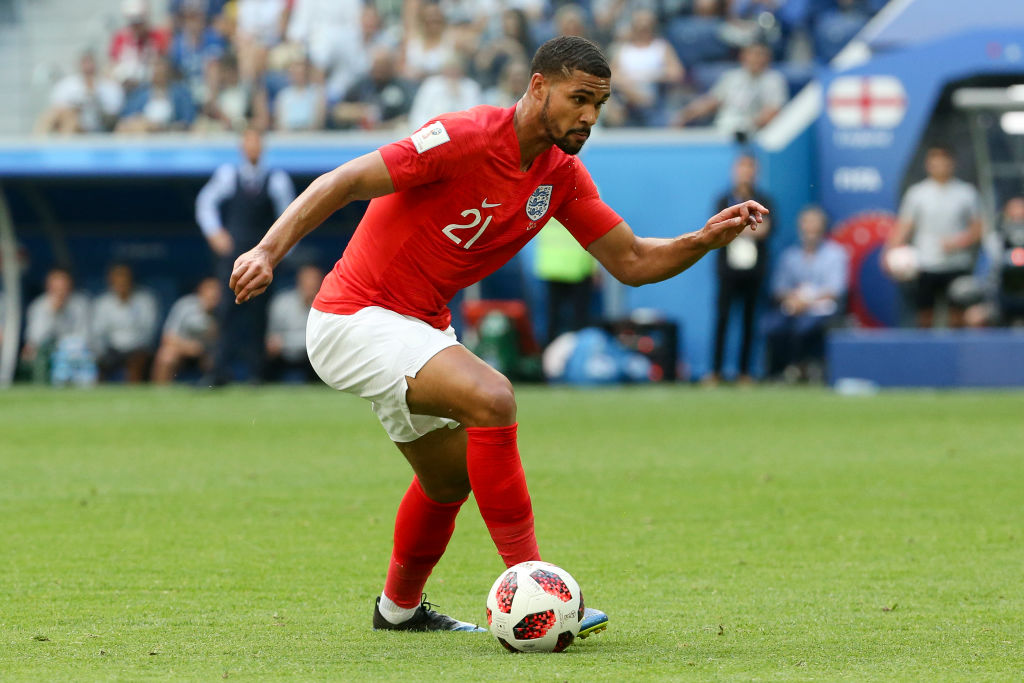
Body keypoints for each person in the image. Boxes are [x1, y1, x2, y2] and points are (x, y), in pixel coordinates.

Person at [228, 36, 766, 633]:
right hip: (354, 317)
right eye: (579, 98)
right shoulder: (463, 136)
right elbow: (345, 179)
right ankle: (538, 590)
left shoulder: (561, 176)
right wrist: (267, 250)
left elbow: (633, 261)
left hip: (420, 326)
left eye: (601, 104)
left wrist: (702, 240)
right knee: (493, 398)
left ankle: (398, 611)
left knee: (448, 478)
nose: (590, 116)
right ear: (538, 87)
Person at [195, 127, 295, 385]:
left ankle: (256, 374)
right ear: (242, 147)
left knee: (259, 312)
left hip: (264, 256)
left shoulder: (276, 178)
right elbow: (205, 203)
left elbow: (291, 216)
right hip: (233, 255)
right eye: (248, 142)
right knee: (227, 310)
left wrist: (281, 250)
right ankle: (219, 372)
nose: (252, 147)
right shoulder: (228, 175)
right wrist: (216, 235)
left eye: (256, 142)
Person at [886, 145, 983, 328]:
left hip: (957, 264)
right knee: (925, 317)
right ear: (928, 165)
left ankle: (956, 355)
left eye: (944, 163)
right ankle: (926, 355)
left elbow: (978, 228)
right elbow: (904, 226)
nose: (939, 167)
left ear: (952, 164)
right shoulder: (917, 193)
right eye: (935, 163)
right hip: (925, 264)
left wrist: (959, 242)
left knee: (957, 317)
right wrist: (889, 253)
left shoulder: (966, 193)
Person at [705, 152, 773, 386]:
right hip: (728, 271)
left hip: (754, 272)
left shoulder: (764, 199)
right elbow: (717, 229)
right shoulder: (723, 200)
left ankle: (745, 372)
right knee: (722, 320)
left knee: (749, 322)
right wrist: (746, 226)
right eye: (742, 167)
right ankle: (715, 372)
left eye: (750, 168)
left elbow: (765, 230)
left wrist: (735, 226)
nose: (746, 173)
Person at [762, 206, 848, 382]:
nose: (810, 230)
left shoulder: (835, 254)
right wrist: (793, 299)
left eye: (815, 226)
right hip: (793, 308)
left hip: (823, 310)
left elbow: (835, 290)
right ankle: (778, 372)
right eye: (807, 225)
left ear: (823, 228)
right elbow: (779, 289)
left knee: (805, 326)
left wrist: (807, 301)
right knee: (771, 325)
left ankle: (807, 369)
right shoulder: (790, 256)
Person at [676, 42, 788, 139]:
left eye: (760, 54)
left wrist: (748, 127)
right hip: (723, 129)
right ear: (743, 56)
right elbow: (711, 101)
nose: (756, 58)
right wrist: (685, 116)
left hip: (753, 134)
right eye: (752, 54)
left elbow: (773, 111)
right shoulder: (731, 77)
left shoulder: (774, 80)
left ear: (768, 58)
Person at [91, 263, 159, 383]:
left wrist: (133, 347)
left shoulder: (145, 300)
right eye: (117, 278)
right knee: (95, 362)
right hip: (111, 350)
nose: (121, 282)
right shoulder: (102, 303)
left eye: (124, 277)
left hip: (137, 349)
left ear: (131, 279)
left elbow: (149, 331)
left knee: (137, 361)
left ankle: (134, 398)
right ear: (110, 281)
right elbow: (98, 332)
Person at [21, 267, 92, 383]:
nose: (60, 291)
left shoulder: (80, 305)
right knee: (37, 353)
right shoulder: (38, 306)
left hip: (73, 352)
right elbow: (35, 338)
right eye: (56, 287)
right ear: (49, 287)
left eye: (63, 287)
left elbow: (85, 335)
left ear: (70, 286)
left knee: (79, 355)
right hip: (46, 352)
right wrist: (53, 313)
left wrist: (66, 346)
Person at [534, 218, 598, 345]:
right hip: (577, 266)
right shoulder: (584, 196)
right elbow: (594, 231)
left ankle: (547, 354)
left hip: (551, 265)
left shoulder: (540, 198)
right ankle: (579, 355)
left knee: (553, 319)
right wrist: (594, 268)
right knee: (579, 320)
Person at [35, 51, 124, 135]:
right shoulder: (68, 85)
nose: (88, 67)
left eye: (90, 63)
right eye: (85, 63)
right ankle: (39, 142)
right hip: (71, 122)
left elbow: (113, 115)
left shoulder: (108, 87)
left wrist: (94, 100)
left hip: (96, 127)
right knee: (62, 117)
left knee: (71, 121)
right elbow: (57, 109)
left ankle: (63, 144)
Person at [151, 276, 221, 383]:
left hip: (208, 353)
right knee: (166, 356)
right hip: (183, 350)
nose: (213, 293)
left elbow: (223, 341)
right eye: (209, 289)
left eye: (216, 290)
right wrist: (189, 348)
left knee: (217, 360)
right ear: (200, 290)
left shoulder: (224, 310)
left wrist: (211, 313)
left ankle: (214, 390)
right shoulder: (185, 305)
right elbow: (168, 338)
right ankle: (160, 392)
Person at [264, 263, 322, 382]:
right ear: (299, 281)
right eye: (307, 280)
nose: (311, 284)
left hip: (317, 363)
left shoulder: (327, 306)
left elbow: (322, 339)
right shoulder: (282, 302)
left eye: (314, 281)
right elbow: (272, 341)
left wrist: (286, 342)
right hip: (287, 361)